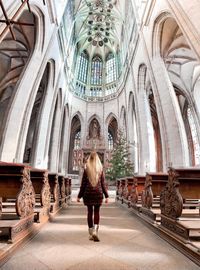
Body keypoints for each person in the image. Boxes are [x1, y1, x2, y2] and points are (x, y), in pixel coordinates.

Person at [77, 151, 109, 242]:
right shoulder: (100, 169)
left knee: (90, 212)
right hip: (98, 193)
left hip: (88, 193)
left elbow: (83, 184)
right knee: (97, 212)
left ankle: (91, 233)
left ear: (89, 159)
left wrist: (79, 196)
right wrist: (106, 196)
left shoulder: (86, 169)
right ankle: (95, 231)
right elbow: (103, 184)